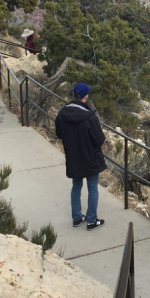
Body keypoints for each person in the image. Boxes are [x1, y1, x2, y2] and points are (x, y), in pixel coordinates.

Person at [55, 83, 107, 230]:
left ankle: (77, 218)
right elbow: (99, 139)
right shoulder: (90, 117)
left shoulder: (62, 114)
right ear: (86, 96)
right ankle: (91, 220)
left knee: (76, 187)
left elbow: (59, 134)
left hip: (73, 156)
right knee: (93, 188)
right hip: (90, 157)